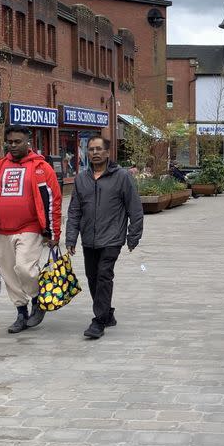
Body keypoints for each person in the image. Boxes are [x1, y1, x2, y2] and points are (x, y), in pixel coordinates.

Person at [0, 126, 62, 334]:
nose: (13, 145)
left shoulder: (41, 168)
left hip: (30, 228)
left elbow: (53, 201)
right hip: (1, 231)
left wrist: (53, 232)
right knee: (8, 274)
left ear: (28, 142)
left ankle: (37, 298)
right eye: (10, 142)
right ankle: (21, 312)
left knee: (24, 268)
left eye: (18, 141)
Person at [65, 137, 143, 340]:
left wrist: (133, 237)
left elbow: (134, 208)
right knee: (92, 277)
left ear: (108, 153)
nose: (95, 152)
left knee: (103, 275)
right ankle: (107, 313)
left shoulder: (122, 177)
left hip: (112, 237)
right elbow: (74, 210)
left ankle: (98, 320)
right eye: (91, 149)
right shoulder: (82, 178)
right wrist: (71, 237)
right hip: (89, 239)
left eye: (99, 149)